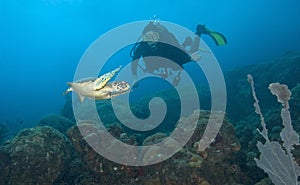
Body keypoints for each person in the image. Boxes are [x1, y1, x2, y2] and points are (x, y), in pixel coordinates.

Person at [130, 20, 227, 86]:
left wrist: (189, 58)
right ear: (143, 38)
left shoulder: (166, 43)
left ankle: (199, 31)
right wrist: (135, 78)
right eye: (147, 37)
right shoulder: (141, 47)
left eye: (154, 36)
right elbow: (134, 61)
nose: (151, 40)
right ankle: (186, 42)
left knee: (193, 52)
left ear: (158, 36)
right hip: (157, 63)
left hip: (173, 55)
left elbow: (177, 52)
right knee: (155, 67)